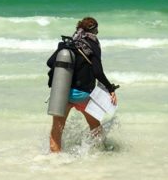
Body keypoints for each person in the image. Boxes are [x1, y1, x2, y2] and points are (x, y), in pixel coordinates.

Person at [48, 17, 118, 153]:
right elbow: (97, 72)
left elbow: (50, 62)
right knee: (95, 126)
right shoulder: (92, 44)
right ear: (94, 30)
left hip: (62, 93)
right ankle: (99, 153)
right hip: (83, 95)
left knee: (57, 127)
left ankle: (54, 160)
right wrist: (111, 88)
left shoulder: (68, 44)